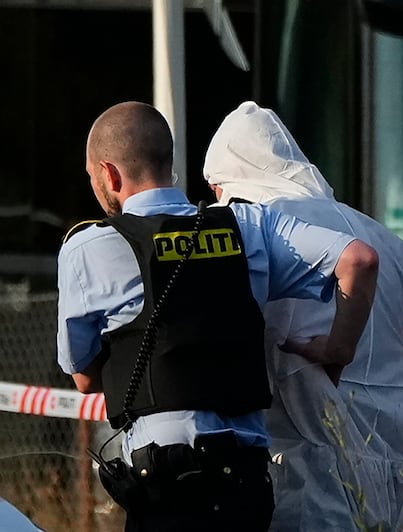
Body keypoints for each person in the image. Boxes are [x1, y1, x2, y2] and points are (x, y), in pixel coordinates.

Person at [56, 101, 379, 531]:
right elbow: (358, 260)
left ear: (109, 175)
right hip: (245, 480)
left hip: (167, 484)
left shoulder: (87, 249)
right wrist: (338, 349)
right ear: (168, 162)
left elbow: (85, 379)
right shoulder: (247, 224)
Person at [202, 101, 403, 532]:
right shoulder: (394, 247)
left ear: (227, 179)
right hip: (386, 481)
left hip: (295, 480)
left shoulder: (263, 234)